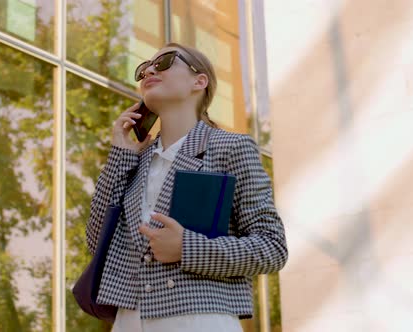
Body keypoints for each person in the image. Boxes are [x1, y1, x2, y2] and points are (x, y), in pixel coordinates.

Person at [86, 42, 288, 332]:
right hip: (128, 320)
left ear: (199, 81)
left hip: (198, 317)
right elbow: (97, 243)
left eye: (165, 61)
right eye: (144, 69)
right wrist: (121, 153)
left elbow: (272, 247)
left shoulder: (230, 147)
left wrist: (186, 247)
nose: (150, 71)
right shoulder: (136, 160)